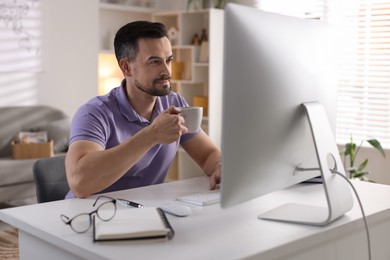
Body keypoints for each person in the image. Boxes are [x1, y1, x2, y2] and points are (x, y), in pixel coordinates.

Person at [64, 21, 221, 199]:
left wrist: (220, 166)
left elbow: (208, 155)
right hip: (88, 217)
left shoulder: (174, 103)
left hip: (143, 213)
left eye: (168, 60)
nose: (167, 71)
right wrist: (151, 135)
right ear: (126, 67)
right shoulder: (93, 113)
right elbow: (80, 182)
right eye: (154, 62)